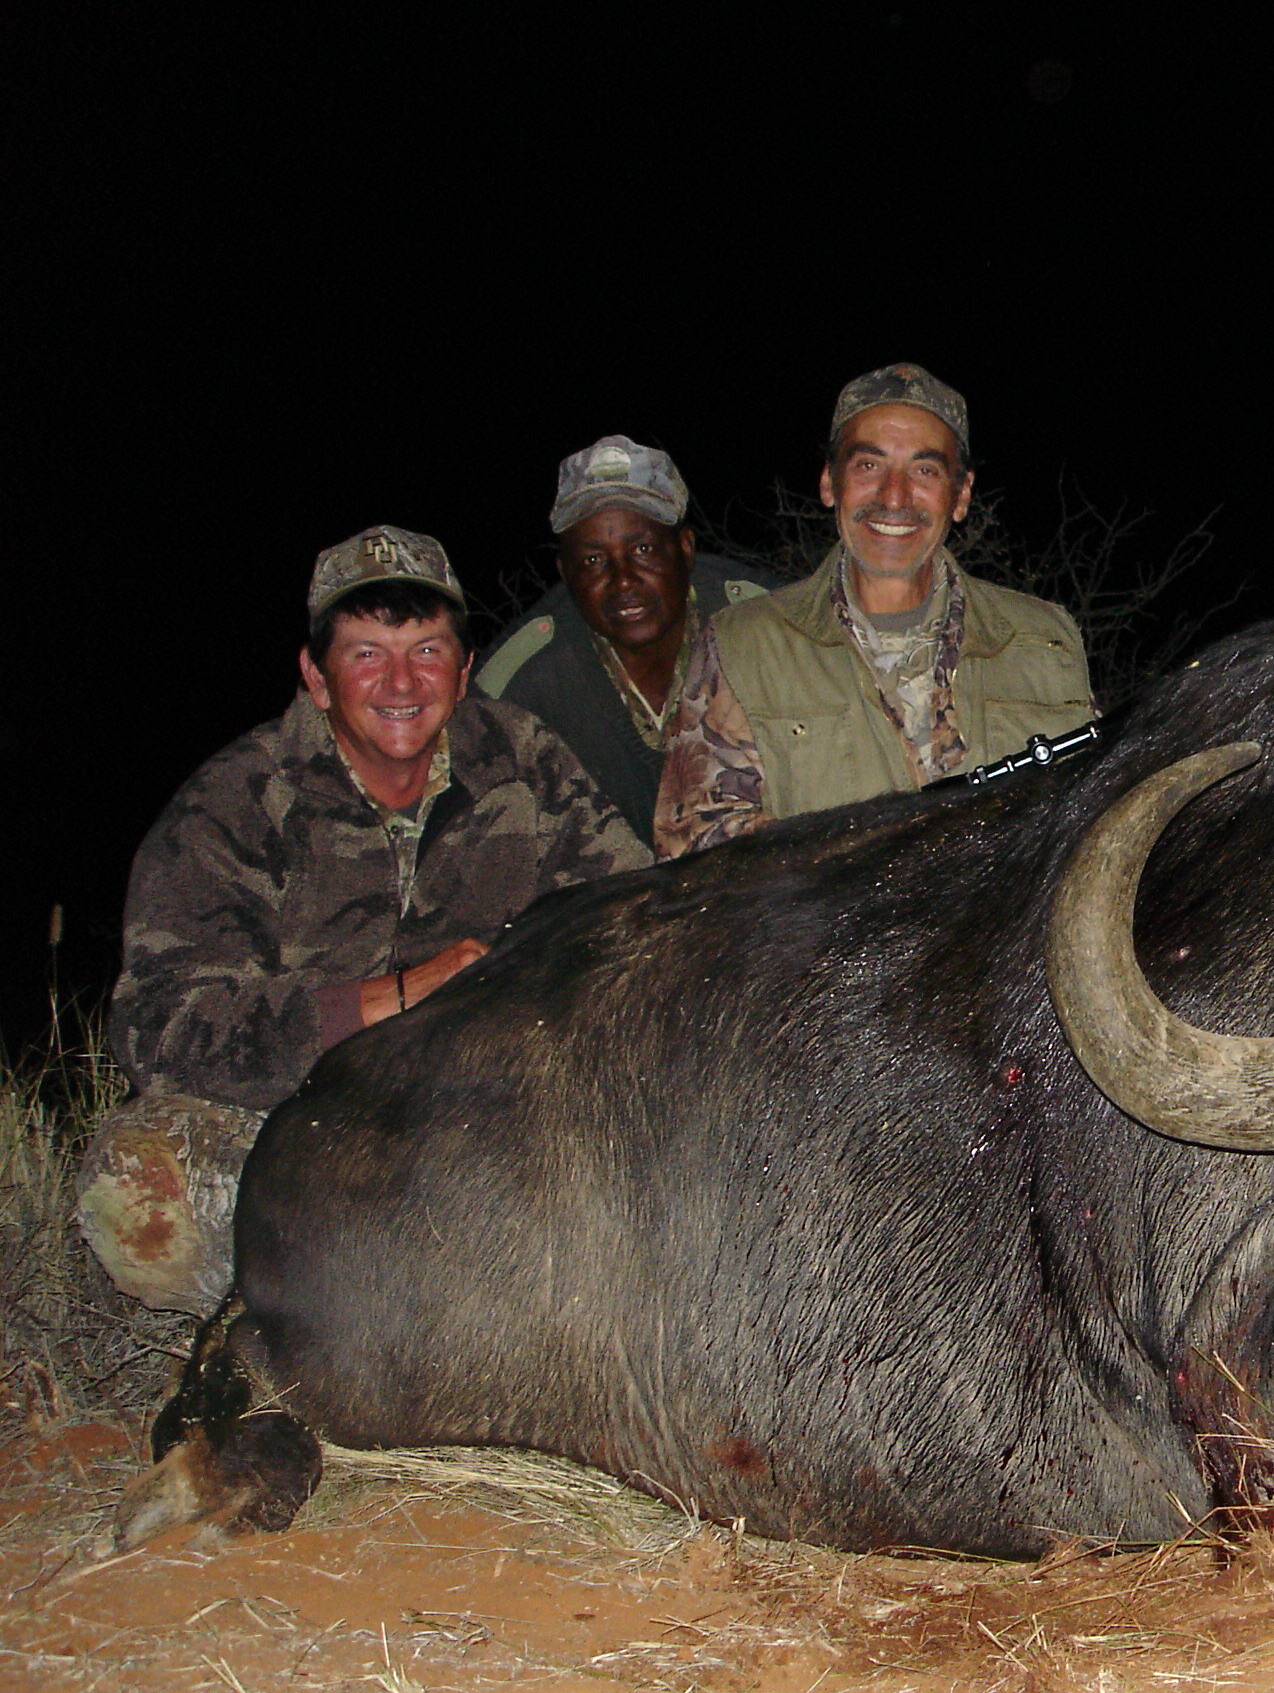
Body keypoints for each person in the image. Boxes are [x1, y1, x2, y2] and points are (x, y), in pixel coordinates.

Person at [79, 527, 650, 1314]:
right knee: (142, 1193)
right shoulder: (236, 802)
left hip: (488, 1110)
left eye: (426, 650)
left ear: (464, 670)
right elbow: (159, 1025)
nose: (402, 682)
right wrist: (398, 996)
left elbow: (634, 915)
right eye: (366, 653)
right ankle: (295, 1313)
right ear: (316, 676)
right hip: (294, 1125)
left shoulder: (524, 761)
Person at [654, 363, 1093, 857]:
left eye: (925, 470)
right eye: (869, 465)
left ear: (961, 494)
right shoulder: (745, 644)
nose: (894, 496)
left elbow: (1097, 818)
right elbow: (693, 851)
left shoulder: (1045, 640)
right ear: (829, 482)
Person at [476, 436, 779, 842]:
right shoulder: (520, 686)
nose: (622, 580)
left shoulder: (767, 626)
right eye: (593, 560)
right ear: (565, 573)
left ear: (685, 549)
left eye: (642, 549)